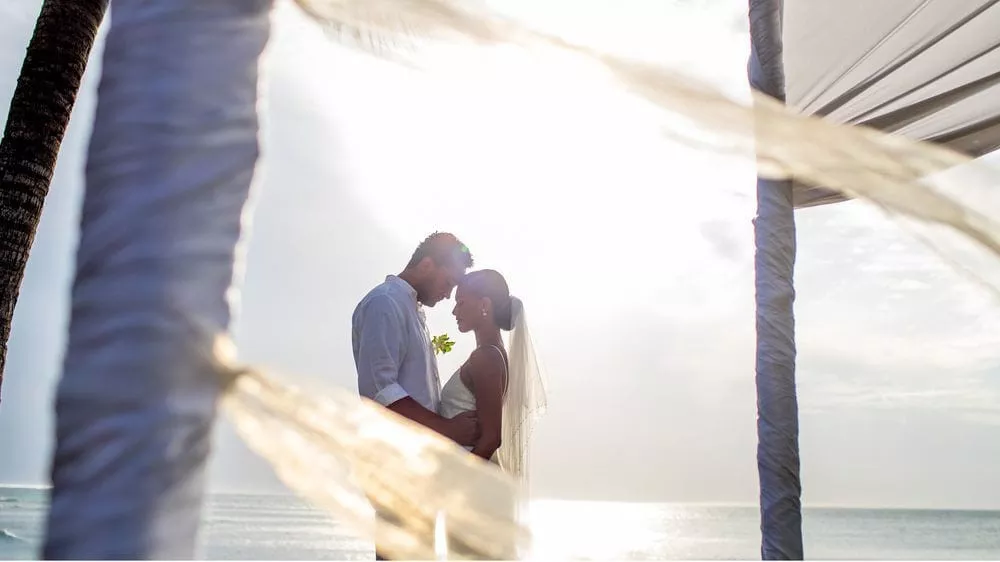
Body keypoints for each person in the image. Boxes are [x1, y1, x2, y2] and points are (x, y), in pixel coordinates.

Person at [351, 232, 479, 560]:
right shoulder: (385, 303)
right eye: (448, 282)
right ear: (426, 264)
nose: (449, 294)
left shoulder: (411, 310)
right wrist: (447, 429)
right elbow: (380, 390)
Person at [439, 269, 548, 559]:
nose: (454, 310)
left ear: (484, 304)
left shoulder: (486, 357)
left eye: (462, 302)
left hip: (474, 492)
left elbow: (491, 438)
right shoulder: (491, 353)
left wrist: (455, 489)